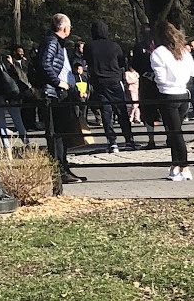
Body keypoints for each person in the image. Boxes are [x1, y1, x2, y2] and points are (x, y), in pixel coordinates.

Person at [36, 12, 86, 183]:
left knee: (63, 133)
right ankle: (60, 171)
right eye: (70, 26)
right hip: (54, 93)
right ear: (65, 27)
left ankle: (64, 168)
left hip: (62, 93)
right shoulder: (52, 41)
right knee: (57, 134)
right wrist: (59, 82)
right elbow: (44, 64)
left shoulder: (58, 43)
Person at [148, 18, 194, 182]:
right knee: (174, 131)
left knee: (175, 132)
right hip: (183, 94)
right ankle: (175, 166)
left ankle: (184, 166)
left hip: (168, 95)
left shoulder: (158, 53)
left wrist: (155, 80)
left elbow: (161, 78)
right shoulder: (183, 51)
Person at [85, 18, 136, 151]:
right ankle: (129, 140)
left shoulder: (89, 46)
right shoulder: (114, 46)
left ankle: (112, 142)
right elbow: (121, 63)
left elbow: (88, 62)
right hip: (114, 80)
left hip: (99, 82)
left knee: (106, 112)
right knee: (121, 111)